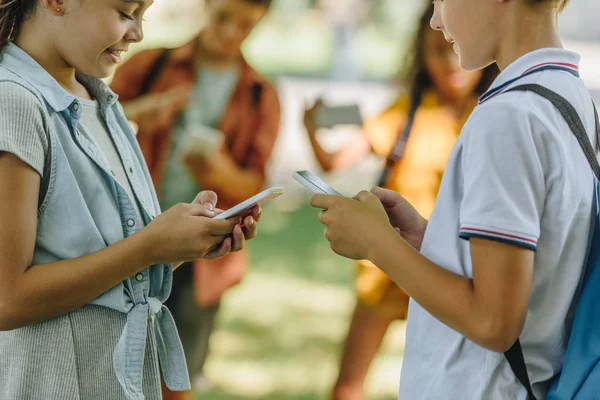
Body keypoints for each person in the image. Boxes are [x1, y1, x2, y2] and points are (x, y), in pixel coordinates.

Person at [309, 0, 599, 398]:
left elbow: (493, 322)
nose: (435, 19)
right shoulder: (565, 94)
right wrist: (430, 240)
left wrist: (377, 245)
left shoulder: (508, 116)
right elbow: (540, 264)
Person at [0, 0, 261, 399]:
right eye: (126, 12)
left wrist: (179, 245)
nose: (138, 33)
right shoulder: (14, 102)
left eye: (143, 15)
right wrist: (147, 248)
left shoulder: (100, 101)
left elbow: (105, 269)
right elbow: (8, 299)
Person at [304, 4, 497, 399]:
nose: (450, 63)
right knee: (349, 382)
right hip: (385, 269)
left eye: (456, 48)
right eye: (437, 51)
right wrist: (310, 128)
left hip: (449, 270)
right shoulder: (405, 112)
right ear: (421, 56)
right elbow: (335, 161)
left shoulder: (491, 113)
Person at [110, 0, 280, 398]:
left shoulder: (259, 94)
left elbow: (255, 183)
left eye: (245, 26)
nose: (230, 33)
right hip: (127, 238)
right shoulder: (150, 65)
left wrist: (216, 172)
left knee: (175, 377)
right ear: (206, 6)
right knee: (109, 368)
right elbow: (86, 130)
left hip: (201, 258)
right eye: (223, 18)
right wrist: (137, 116)